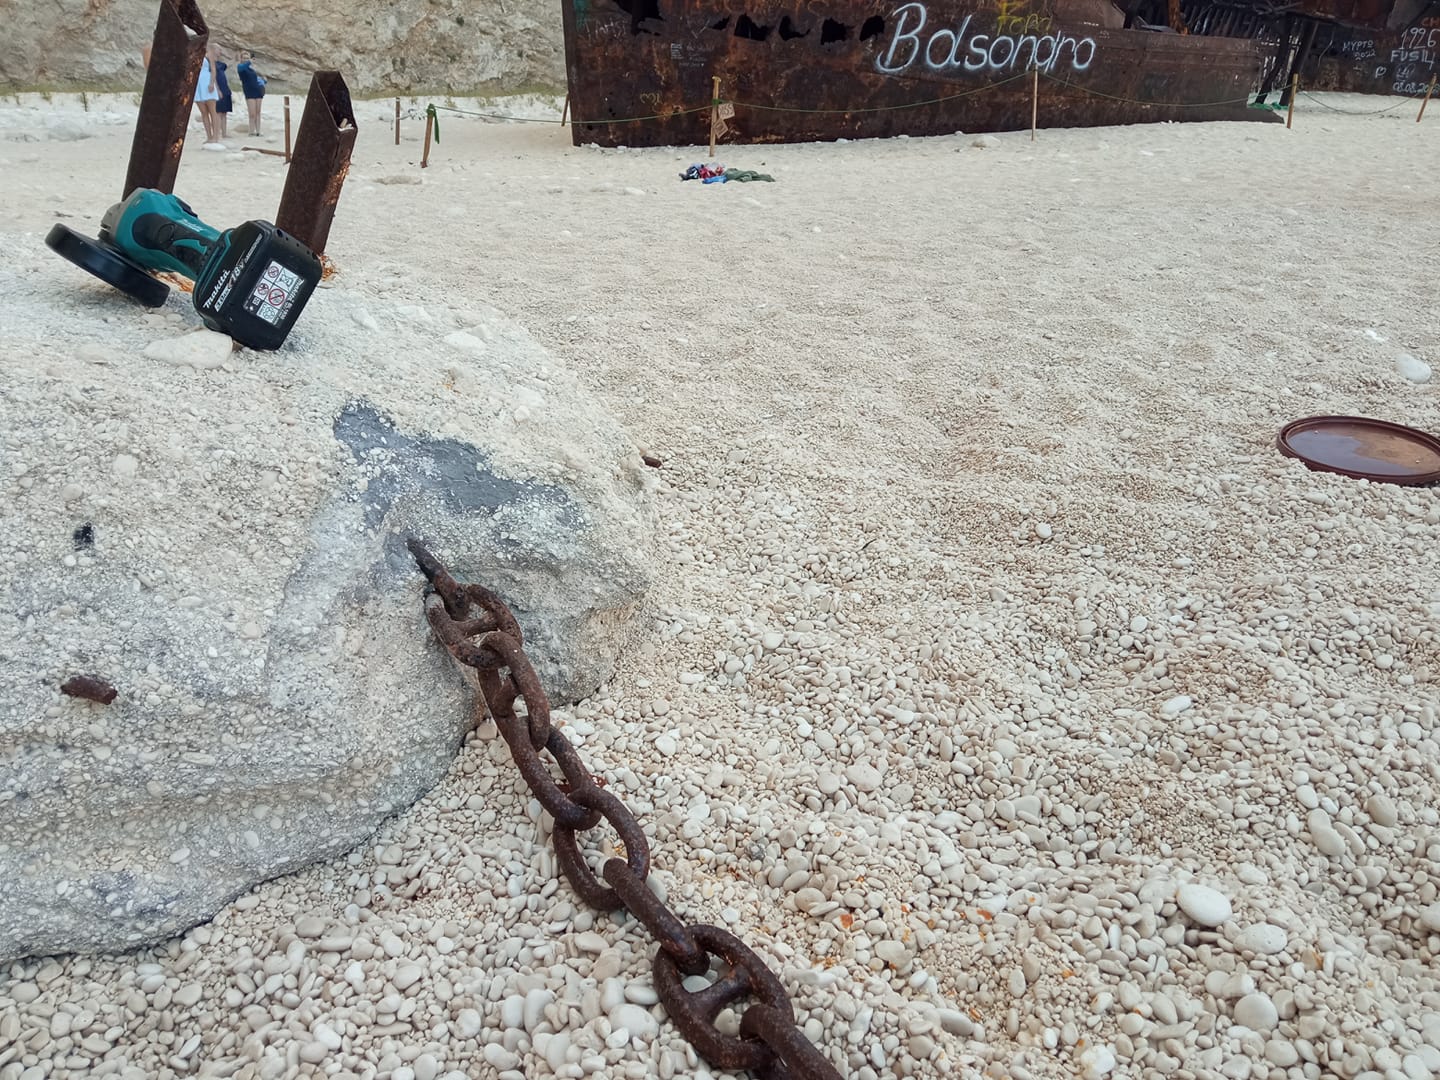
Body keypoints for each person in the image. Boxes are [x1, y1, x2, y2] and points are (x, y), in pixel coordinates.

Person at [235, 50, 267, 137]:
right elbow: (243, 68)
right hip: (249, 92)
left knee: (258, 112)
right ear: (241, 59)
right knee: (252, 113)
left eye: (247, 58)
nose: (246, 60)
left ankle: (258, 131)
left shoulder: (251, 69)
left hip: (257, 90)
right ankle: (251, 131)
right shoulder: (240, 67)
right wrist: (250, 61)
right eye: (244, 58)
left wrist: (264, 81)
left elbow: (256, 79)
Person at [194, 46, 221, 146]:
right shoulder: (192, 55)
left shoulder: (208, 54)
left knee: (213, 111)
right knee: (204, 112)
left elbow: (213, 70)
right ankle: (209, 136)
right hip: (197, 84)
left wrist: (211, 83)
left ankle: (215, 137)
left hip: (206, 81)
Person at [214, 48, 233, 140]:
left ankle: (224, 134)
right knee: (218, 113)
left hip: (225, 90)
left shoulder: (220, 64)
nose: (220, 51)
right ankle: (217, 134)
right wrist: (217, 90)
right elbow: (213, 78)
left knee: (224, 113)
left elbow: (228, 64)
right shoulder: (210, 63)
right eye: (219, 50)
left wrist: (233, 57)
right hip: (218, 90)